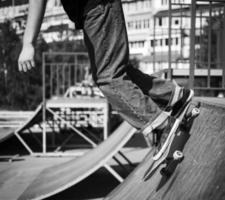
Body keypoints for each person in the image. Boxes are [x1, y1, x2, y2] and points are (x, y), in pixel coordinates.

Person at [18, 0, 193, 148]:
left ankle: (161, 125)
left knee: (109, 78)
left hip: (95, 8)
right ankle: (172, 95)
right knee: (117, 71)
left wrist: (28, 43)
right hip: (98, 8)